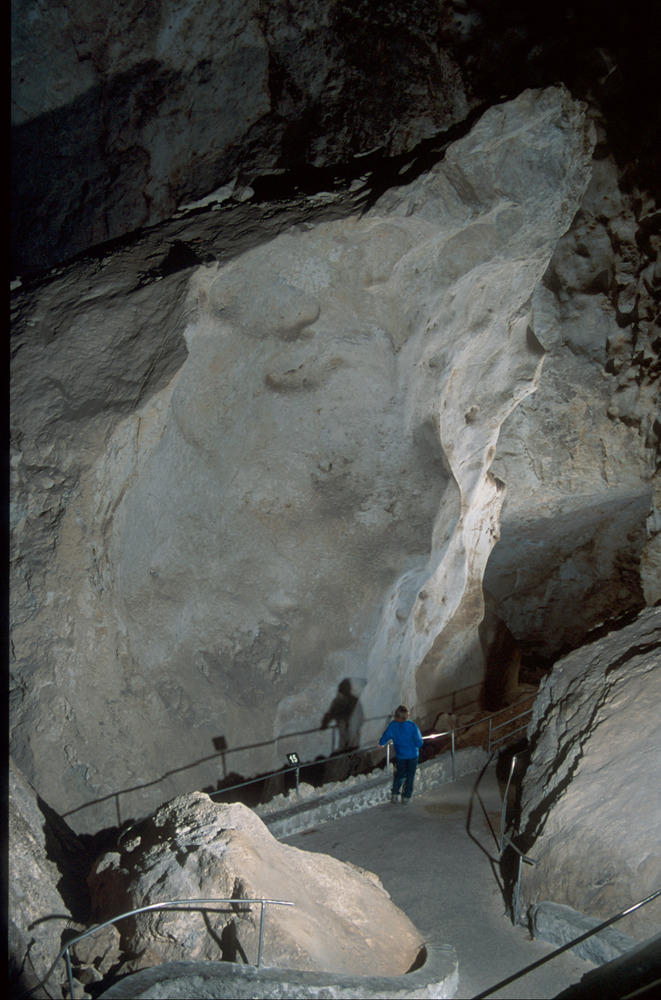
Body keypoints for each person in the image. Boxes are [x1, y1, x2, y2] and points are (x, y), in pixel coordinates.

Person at [379, 705, 424, 804]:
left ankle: (395, 795)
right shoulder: (412, 726)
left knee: (400, 775)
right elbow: (419, 742)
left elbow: (386, 735)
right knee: (410, 776)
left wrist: (382, 743)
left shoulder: (392, 725)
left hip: (400, 755)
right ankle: (406, 797)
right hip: (412, 755)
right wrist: (417, 744)